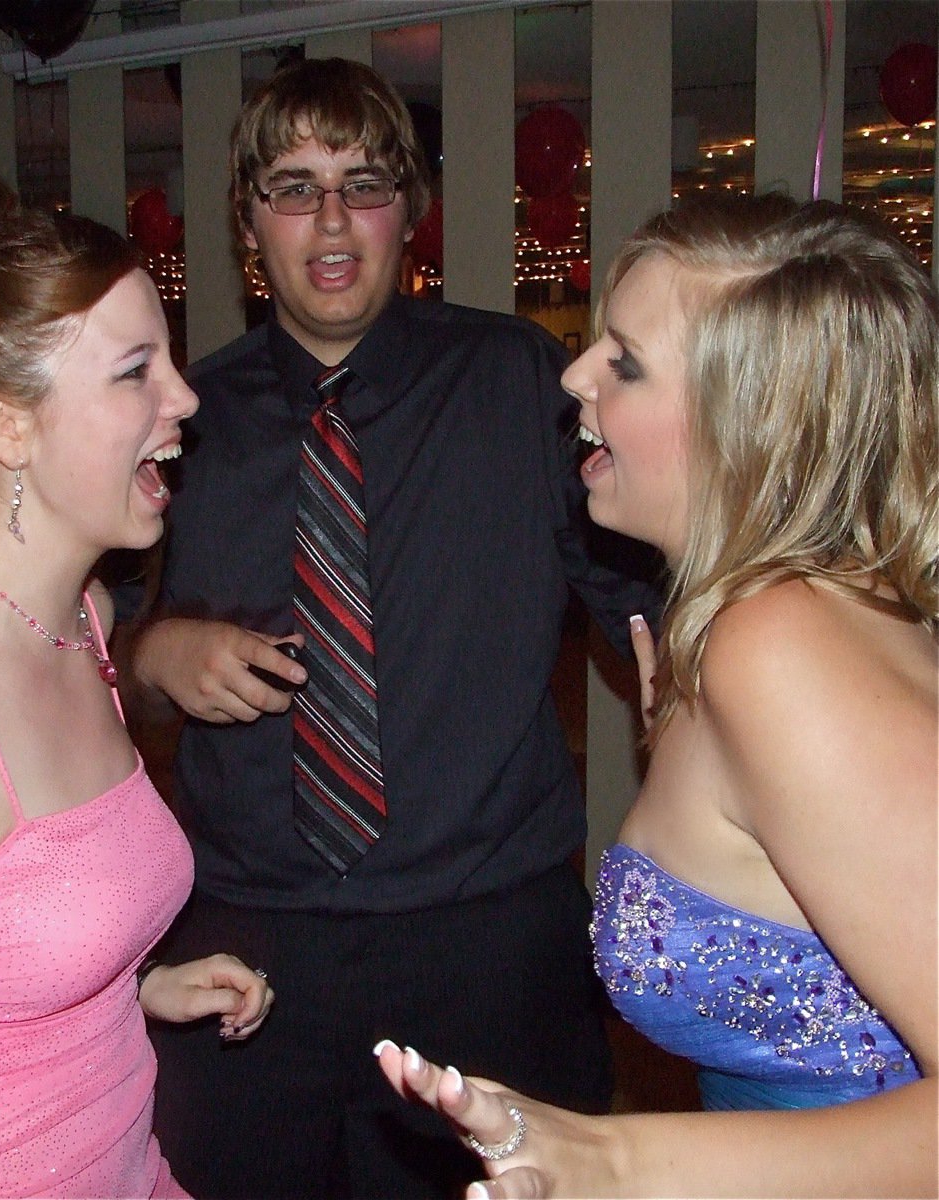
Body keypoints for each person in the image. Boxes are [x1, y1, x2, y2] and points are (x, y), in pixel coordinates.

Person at [126, 56, 662, 1200]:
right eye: (292, 186)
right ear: (245, 219)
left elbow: (643, 603)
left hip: (488, 944)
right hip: (249, 955)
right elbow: (83, 661)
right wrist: (156, 655)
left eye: (362, 183)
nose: (329, 219)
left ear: (409, 212)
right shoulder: (180, 419)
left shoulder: (520, 382)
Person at [376, 192, 938, 1197]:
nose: (575, 375)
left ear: (747, 419)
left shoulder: (776, 649)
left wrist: (610, 1156)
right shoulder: (770, 621)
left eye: (623, 363)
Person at [0, 174, 274, 1199]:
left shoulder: (83, 618)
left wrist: (129, 989)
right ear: (7, 428)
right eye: (137, 371)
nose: (183, 398)